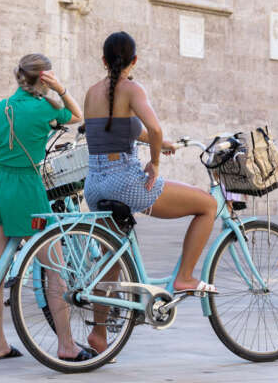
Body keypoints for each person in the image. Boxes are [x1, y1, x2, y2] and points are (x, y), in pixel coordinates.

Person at [80, 31, 217, 354]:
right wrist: (154, 162)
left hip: (95, 185)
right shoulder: (132, 88)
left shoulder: (90, 93)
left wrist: (158, 144)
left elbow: (116, 129)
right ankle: (185, 276)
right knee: (207, 205)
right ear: (134, 61)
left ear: (103, 61)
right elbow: (155, 128)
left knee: (112, 260)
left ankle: (99, 336)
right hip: (126, 183)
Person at [0, 53, 88, 361]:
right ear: (43, 79)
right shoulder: (45, 108)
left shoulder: (0, 108)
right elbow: (77, 116)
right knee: (55, 270)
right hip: (26, 187)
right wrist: (61, 90)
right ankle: (66, 345)